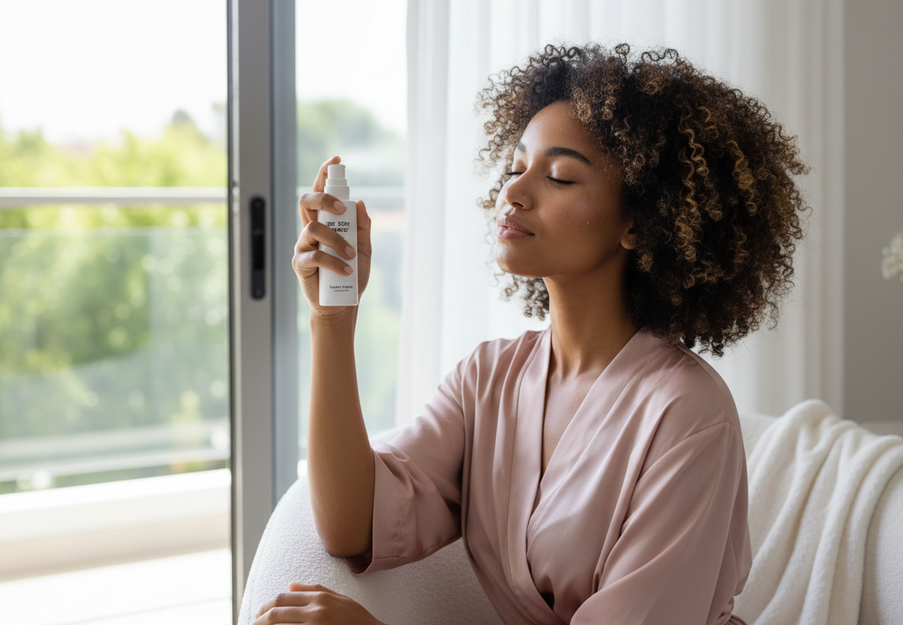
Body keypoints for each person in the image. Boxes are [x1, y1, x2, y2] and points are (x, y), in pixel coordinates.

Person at [254, 44, 808, 625]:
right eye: (515, 167)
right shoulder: (488, 379)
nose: (514, 192)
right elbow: (349, 523)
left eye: (560, 176)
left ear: (639, 224)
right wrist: (332, 321)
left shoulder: (689, 414)